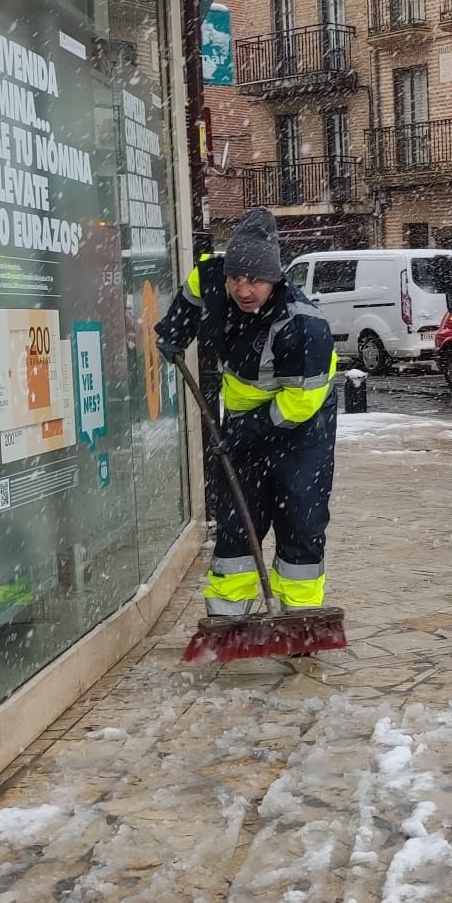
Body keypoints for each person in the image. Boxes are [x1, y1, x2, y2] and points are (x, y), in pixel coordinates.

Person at [154, 209, 338, 616]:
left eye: (255, 280)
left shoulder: (303, 325)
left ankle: (301, 616)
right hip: (241, 420)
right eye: (236, 278)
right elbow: (192, 293)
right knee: (239, 517)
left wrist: (244, 433)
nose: (243, 288)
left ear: (274, 279)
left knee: (301, 518)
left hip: (303, 427)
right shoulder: (213, 278)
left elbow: (299, 403)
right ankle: (227, 614)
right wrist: (174, 330)